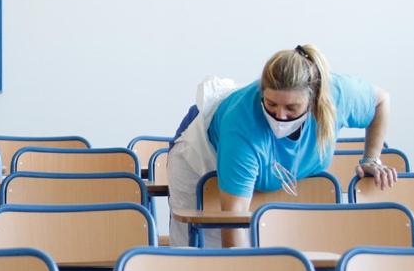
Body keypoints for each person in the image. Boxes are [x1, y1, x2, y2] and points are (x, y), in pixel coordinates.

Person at [167, 44, 396, 247]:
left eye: (292, 108)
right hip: (200, 157)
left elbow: (380, 101)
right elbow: (233, 224)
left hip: (266, 167)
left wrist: (371, 159)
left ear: (314, 100)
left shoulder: (338, 95)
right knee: (209, 259)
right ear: (262, 93)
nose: (280, 115)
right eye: (272, 104)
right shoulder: (242, 128)